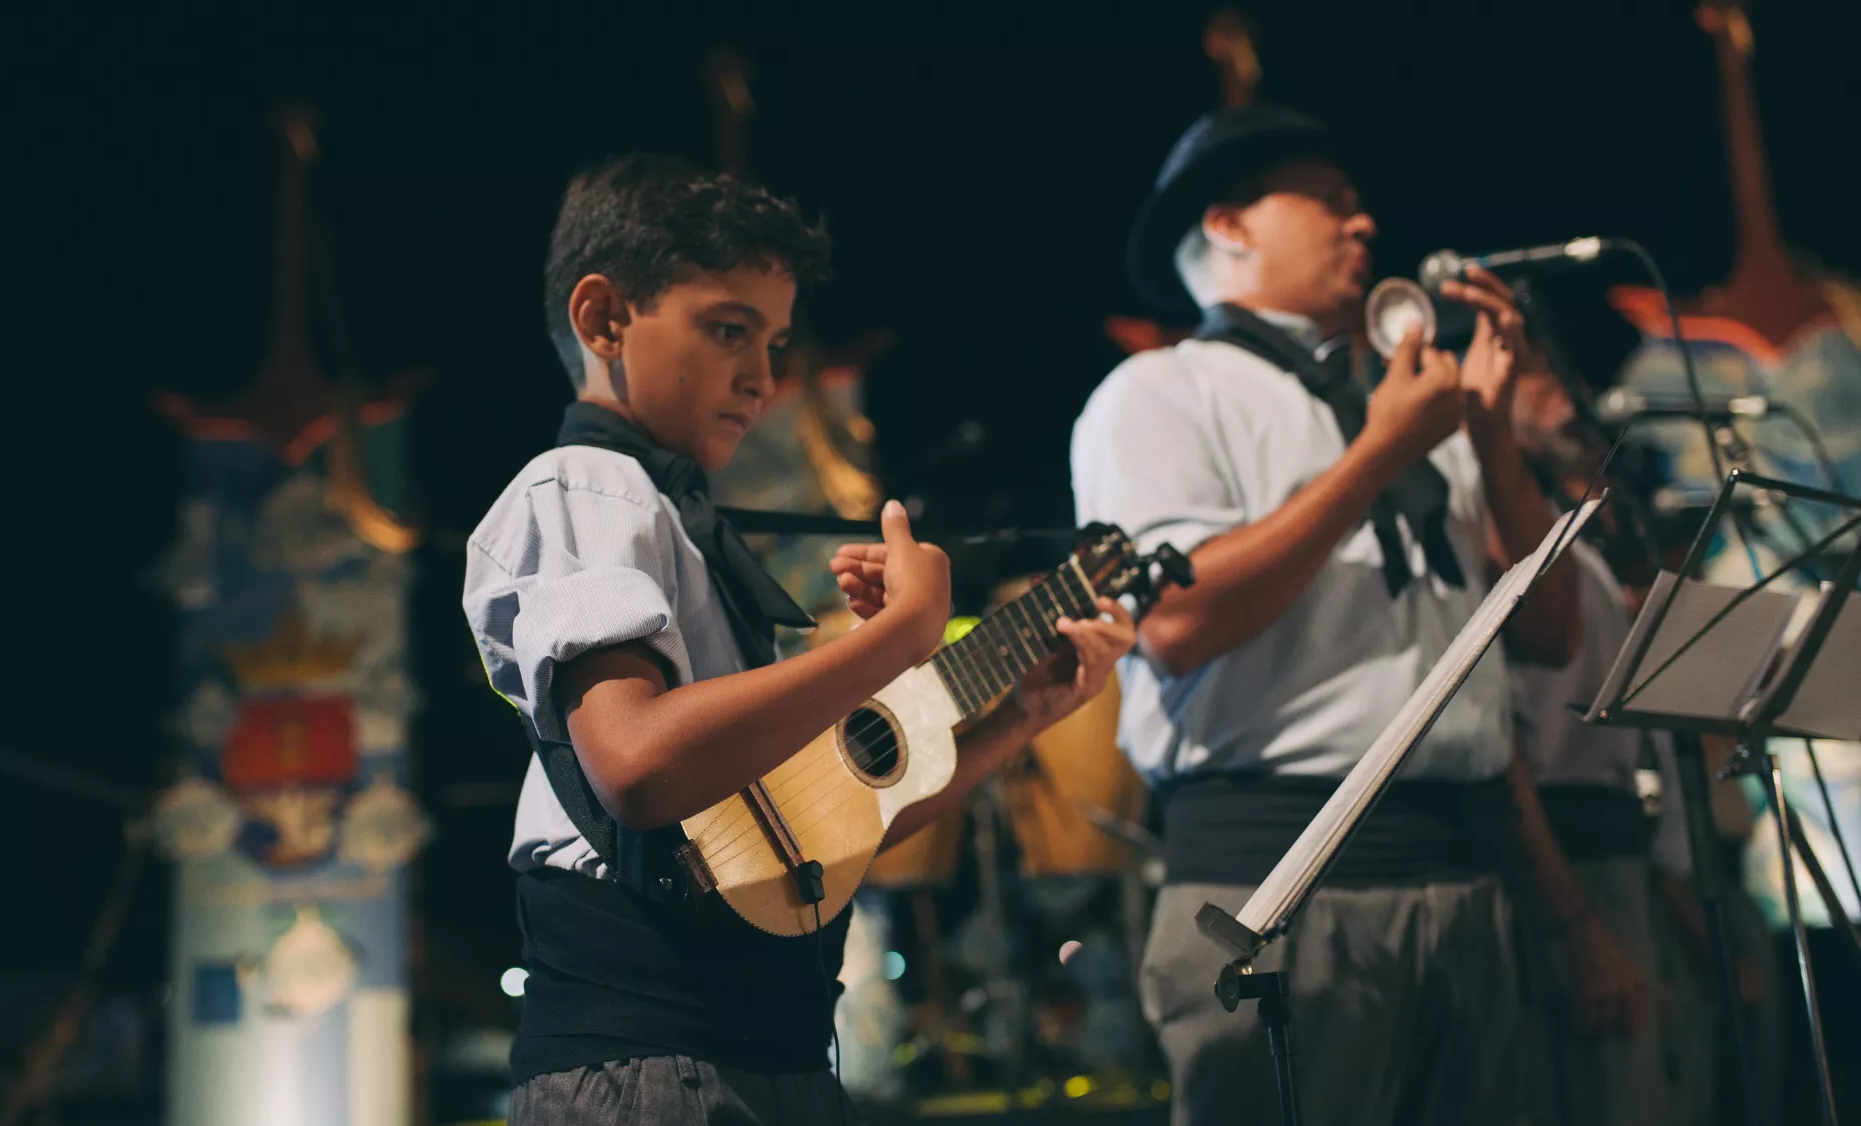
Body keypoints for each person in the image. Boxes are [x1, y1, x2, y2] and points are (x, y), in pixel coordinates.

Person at [462, 154, 1136, 1126]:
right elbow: (637, 764)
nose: (764, 378)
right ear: (603, 318)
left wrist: (1015, 719)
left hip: (730, 1057)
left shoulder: (666, 516)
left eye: (773, 340)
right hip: (654, 1062)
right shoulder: (586, 482)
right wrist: (896, 638)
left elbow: (816, 830)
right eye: (728, 330)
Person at [1069, 105, 1581, 1126]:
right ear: (1227, 225)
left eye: (1360, 211)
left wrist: (1480, 432)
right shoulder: (1159, 390)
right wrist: (1380, 452)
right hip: (1270, 886)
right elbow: (1173, 623)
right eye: (1329, 205)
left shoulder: (1412, 409)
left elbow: (1546, 633)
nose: (1362, 226)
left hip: (1464, 879)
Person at [1503, 362, 1689, 1126]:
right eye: (1536, 380)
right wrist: (1576, 922)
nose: (1564, 394)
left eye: (1561, 376)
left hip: (1624, 848)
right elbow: (1508, 738)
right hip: (1563, 848)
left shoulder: (1591, 541)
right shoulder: (1515, 539)